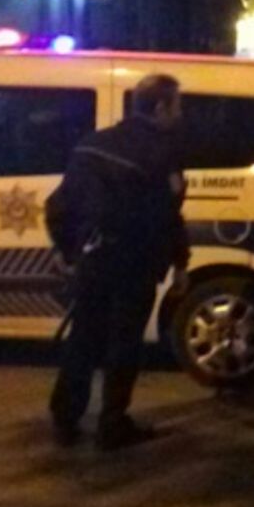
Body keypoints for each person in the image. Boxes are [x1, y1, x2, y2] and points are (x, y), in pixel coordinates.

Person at [48, 74, 190, 451]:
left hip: (94, 259)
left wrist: (66, 249)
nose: (180, 114)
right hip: (135, 262)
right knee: (124, 344)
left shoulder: (92, 144)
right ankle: (112, 424)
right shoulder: (163, 155)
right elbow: (168, 216)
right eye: (176, 105)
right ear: (159, 107)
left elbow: (60, 204)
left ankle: (65, 418)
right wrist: (180, 263)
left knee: (83, 339)